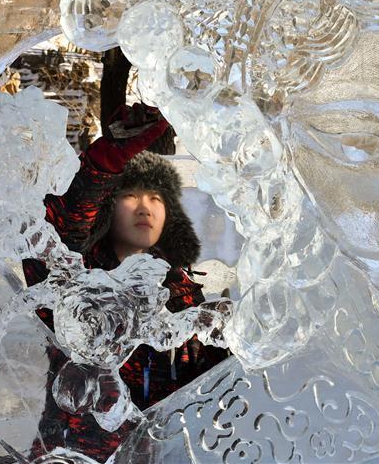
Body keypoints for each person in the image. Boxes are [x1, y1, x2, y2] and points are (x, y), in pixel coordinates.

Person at [22, 103, 229, 462]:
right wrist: (106, 160)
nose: (145, 208)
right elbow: (60, 222)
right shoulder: (77, 275)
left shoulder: (180, 294)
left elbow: (208, 391)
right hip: (70, 453)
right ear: (109, 205)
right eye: (131, 196)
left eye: (157, 198)